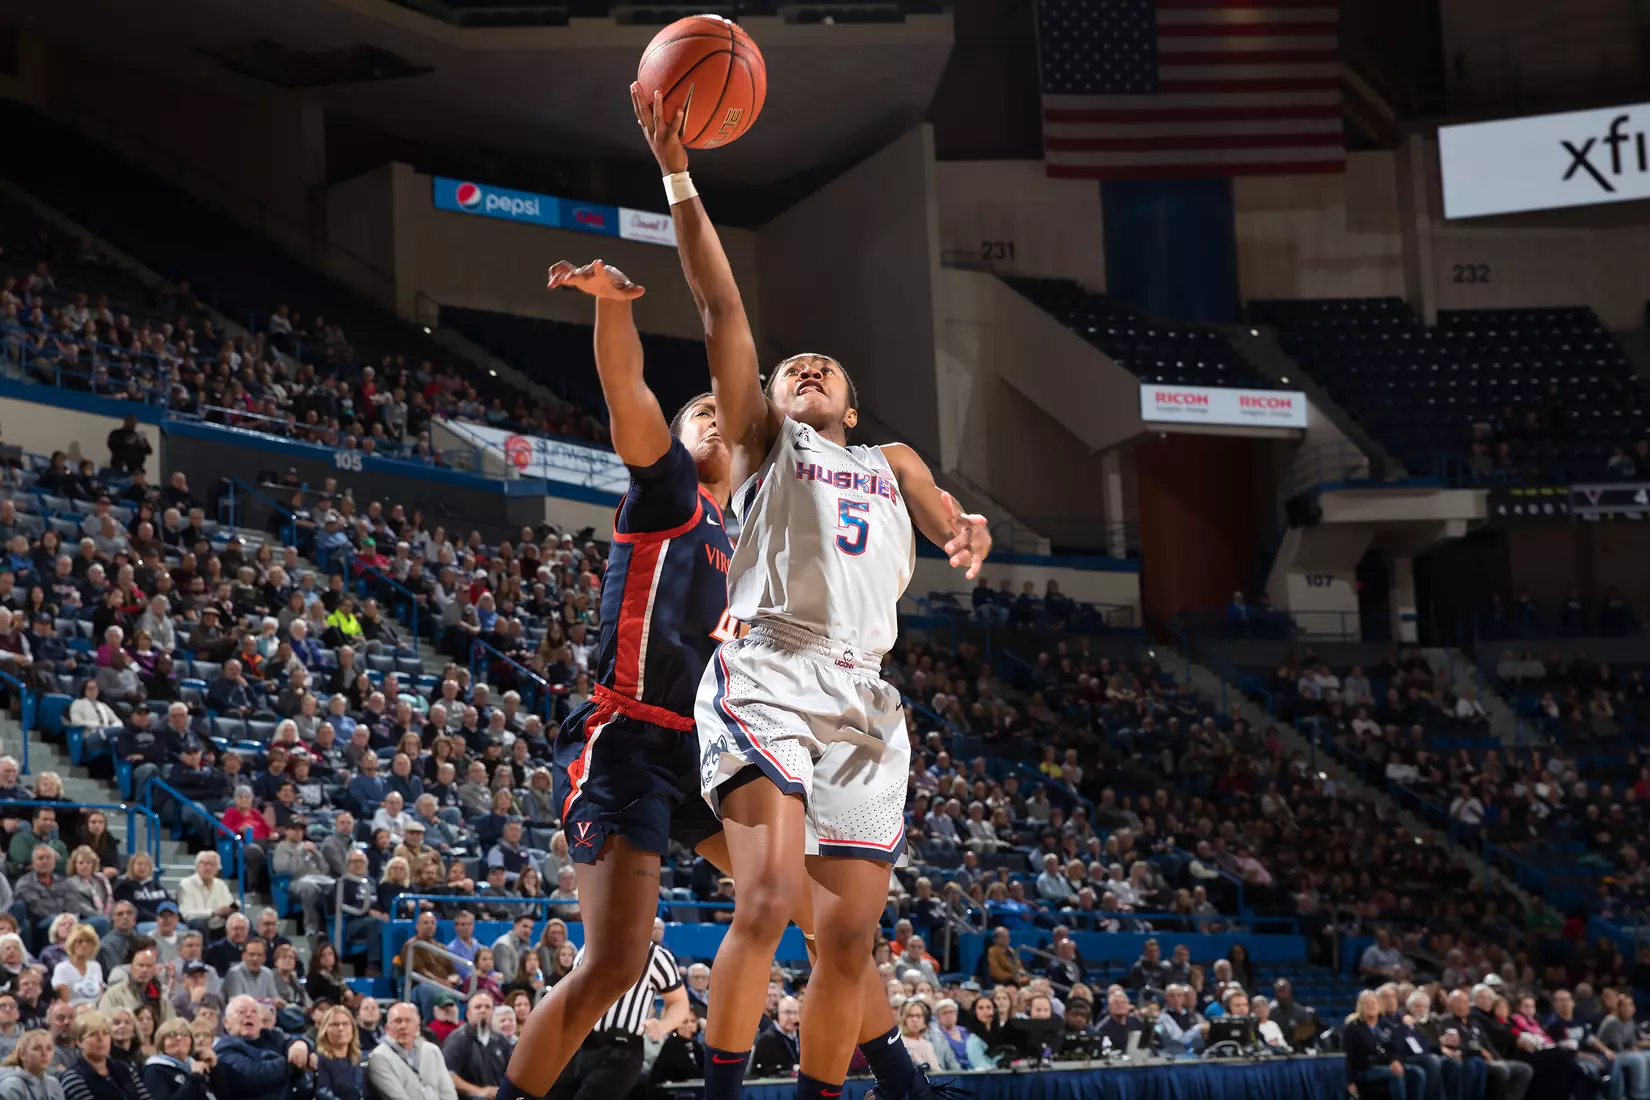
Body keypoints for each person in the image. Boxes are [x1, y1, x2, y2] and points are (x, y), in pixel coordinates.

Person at [633, 85, 990, 1100]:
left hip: (864, 699)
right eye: (793, 369)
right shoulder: (761, 442)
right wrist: (678, 174)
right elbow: (720, 306)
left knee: (846, 942)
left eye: (822, 367)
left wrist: (963, 527)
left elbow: (934, 503)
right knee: (769, 895)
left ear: (853, 401)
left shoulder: (888, 455)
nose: (807, 367)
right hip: (770, 665)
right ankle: (722, 1089)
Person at [501, 248, 736, 1100]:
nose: (712, 420)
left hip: (702, 755)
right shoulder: (669, 488)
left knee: (810, 899)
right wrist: (612, 307)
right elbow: (628, 396)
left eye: (722, 414)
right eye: (698, 412)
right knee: (612, 967)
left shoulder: (745, 537)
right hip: (630, 741)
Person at [542, 939, 690, 1100]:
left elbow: (679, 1002)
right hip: (579, 1045)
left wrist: (663, 1026)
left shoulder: (655, 955)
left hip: (622, 1049)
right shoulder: (589, 947)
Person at [211, 995, 313, 1100]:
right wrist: (295, 1063)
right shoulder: (223, 1049)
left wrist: (300, 1045)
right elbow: (255, 1075)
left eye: (254, 1012)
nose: (248, 1015)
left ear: (260, 1021)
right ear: (226, 1023)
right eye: (242, 1012)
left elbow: (296, 1041)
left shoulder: (273, 1035)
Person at [1345, 989, 1425, 1100]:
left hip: (1387, 1064)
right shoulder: (1353, 1027)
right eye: (1366, 1003)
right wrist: (1349, 1082)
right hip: (1365, 1069)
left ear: (1379, 1006)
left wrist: (1396, 1061)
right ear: (1360, 1007)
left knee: (1418, 1073)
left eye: (1374, 1002)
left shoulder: (1386, 1024)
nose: (1370, 1006)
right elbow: (1347, 1057)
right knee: (1394, 1073)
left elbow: (1397, 1048)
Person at [367, 1003, 456, 1100]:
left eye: (408, 1021)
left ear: (417, 1027)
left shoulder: (432, 1050)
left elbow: (448, 1091)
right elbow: (398, 1097)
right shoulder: (379, 1057)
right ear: (387, 1029)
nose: (403, 1026)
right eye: (397, 1021)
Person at [59, 1012, 148, 1100]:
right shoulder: (73, 1078)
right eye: (92, 1034)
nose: (101, 1039)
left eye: (105, 1033)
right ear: (79, 1042)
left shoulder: (125, 1068)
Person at [441, 994, 509, 1100]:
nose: (483, 1010)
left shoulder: (501, 1040)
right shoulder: (457, 1039)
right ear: (468, 1014)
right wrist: (480, 1092)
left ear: (493, 1012)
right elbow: (448, 1074)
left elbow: (511, 1073)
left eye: (487, 1007)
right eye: (478, 1007)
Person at [140, 1019, 212, 1100]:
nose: (179, 1038)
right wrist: (195, 1078)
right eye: (172, 1034)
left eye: (184, 1034)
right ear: (162, 1042)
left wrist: (215, 1068)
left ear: (191, 1041)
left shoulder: (196, 1066)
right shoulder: (154, 1070)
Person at [314, 1006, 363, 1100]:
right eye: (335, 1024)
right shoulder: (320, 1060)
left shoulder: (357, 1058)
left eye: (345, 1024)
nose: (341, 1028)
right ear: (325, 1030)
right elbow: (322, 1092)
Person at [51, 926, 105, 1007]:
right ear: (72, 944)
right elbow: (64, 1002)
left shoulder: (96, 966)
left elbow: (101, 997)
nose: (84, 944)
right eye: (80, 941)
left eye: (88, 941)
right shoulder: (62, 969)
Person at [751, 996, 802, 1078]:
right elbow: (768, 1071)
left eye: (795, 1013)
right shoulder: (766, 1040)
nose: (792, 1017)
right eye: (787, 1012)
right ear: (776, 1014)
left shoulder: (803, 1038)